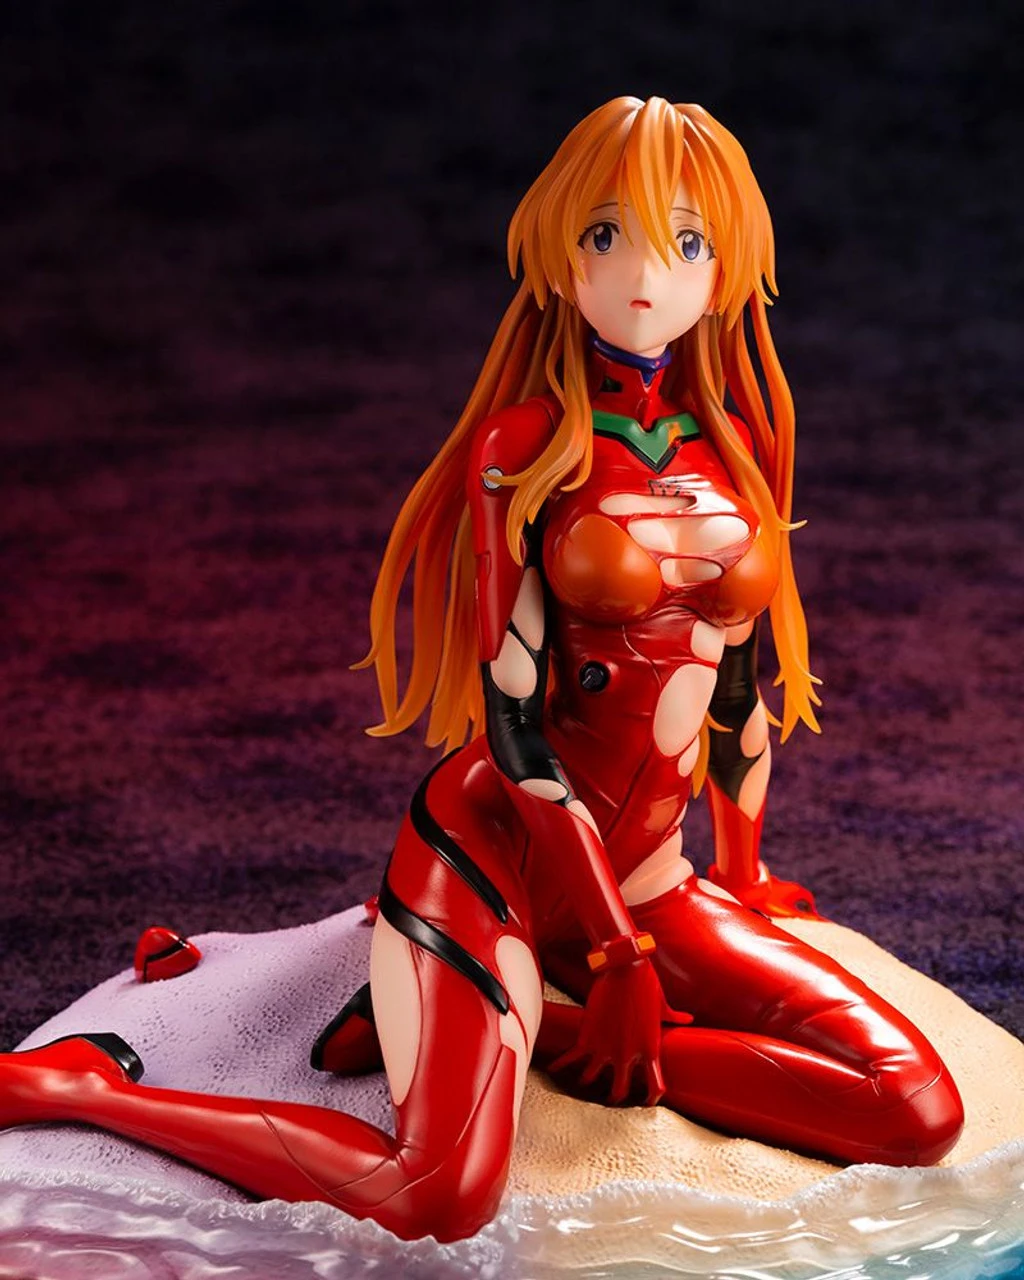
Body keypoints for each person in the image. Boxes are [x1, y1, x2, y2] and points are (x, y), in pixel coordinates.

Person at [0, 96, 963, 1245]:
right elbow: (516, 726)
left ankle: (536, 1028)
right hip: (496, 855)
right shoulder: (526, 445)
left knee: (915, 1107)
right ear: (560, 253)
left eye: (686, 241)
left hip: (651, 876)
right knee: (439, 1193)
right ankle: (91, 1089)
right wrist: (613, 952)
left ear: (728, 271)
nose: (644, 274)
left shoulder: (736, 443)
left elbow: (734, 684)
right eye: (606, 235)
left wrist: (741, 873)